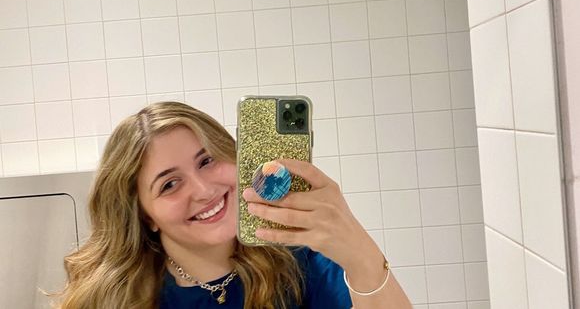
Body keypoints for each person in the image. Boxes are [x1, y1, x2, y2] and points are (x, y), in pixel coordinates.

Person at [51, 101, 412, 308]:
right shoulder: (114, 299)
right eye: (170, 184)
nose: (203, 189)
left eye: (207, 160)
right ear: (145, 215)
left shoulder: (301, 264)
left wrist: (362, 256)